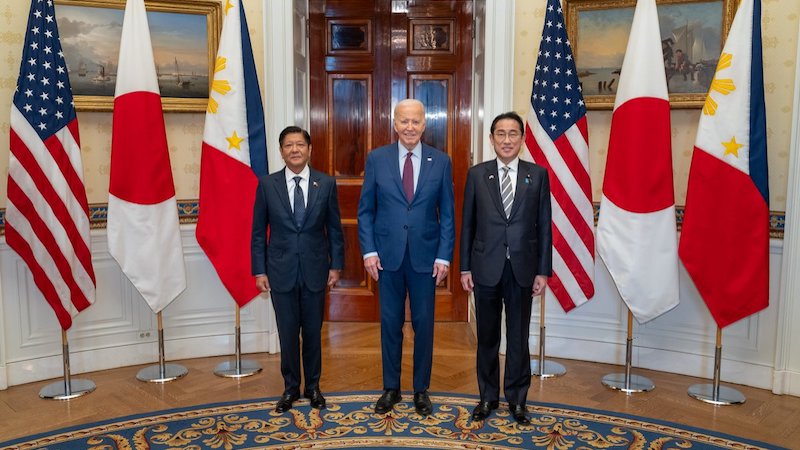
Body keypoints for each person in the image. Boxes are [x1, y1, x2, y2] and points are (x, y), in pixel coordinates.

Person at [357, 98, 455, 416]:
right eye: (404, 121)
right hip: (387, 258)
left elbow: (448, 215)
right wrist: (369, 251)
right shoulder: (377, 159)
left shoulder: (440, 161)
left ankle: (421, 390)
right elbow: (366, 211)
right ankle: (391, 388)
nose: (410, 127)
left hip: (426, 259)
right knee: (390, 323)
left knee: (424, 325)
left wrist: (444, 256)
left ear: (424, 125)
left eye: (415, 121)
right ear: (394, 123)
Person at [459, 112, 552, 425]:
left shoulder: (537, 175)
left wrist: (543, 271)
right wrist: (464, 268)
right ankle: (488, 397)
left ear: (522, 140)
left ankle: (517, 400)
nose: (507, 139)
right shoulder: (476, 175)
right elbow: (467, 225)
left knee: (518, 337)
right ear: (491, 139)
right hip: (485, 268)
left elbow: (544, 227)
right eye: (501, 133)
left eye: (513, 134)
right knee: (487, 338)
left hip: (523, 270)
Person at [251, 126, 344, 413]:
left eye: (300, 144)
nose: (295, 149)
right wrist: (259, 270)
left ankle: (313, 387)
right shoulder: (267, 185)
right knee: (288, 333)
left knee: (314, 333)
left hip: (316, 271)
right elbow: (257, 233)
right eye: (289, 145)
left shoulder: (325, 184)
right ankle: (291, 388)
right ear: (281, 151)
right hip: (280, 272)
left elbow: (335, 230)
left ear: (309, 149)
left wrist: (336, 265)